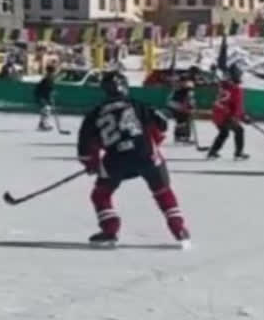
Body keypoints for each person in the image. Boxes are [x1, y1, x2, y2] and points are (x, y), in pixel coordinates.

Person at [77, 71, 190, 247]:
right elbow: (161, 123)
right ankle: (179, 229)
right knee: (162, 191)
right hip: (146, 154)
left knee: (100, 194)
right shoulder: (138, 105)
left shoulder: (94, 114)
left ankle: (110, 229)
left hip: (115, 160)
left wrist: (91, 163)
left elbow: (86, 145)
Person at [208, 63, 249, 160]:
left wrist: (242, 115)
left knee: (224, 132)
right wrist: (240, 116)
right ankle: (238, 153)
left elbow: (231, 104)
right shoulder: (235, 89)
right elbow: (236, 106)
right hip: (227, 116)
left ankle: (213, 152)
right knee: (239, 131)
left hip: (218, 115)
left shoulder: (223, 86)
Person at [167, 76, 196, 143]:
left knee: (187, 122)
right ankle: (178, 136)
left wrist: (192, 106)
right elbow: (170, 102)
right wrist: (179, 107)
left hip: (185, 109)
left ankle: (186, 137)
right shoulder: (177, 90)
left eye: (185, 82)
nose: (184, 83)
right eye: (183, 82)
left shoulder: (189, 90)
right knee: (181, 122)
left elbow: (191, 100)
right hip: (177, 109)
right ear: (180, 82)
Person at [34, 64, 56, 131]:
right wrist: (50, 97)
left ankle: (42, 124)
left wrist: (51, 94)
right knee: (46, 109)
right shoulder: (48, 78)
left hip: (42, 96)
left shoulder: (49, 78)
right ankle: (43, 125)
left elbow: (49, 89)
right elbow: (47, 89)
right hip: (41, 96)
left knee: (46, 110)